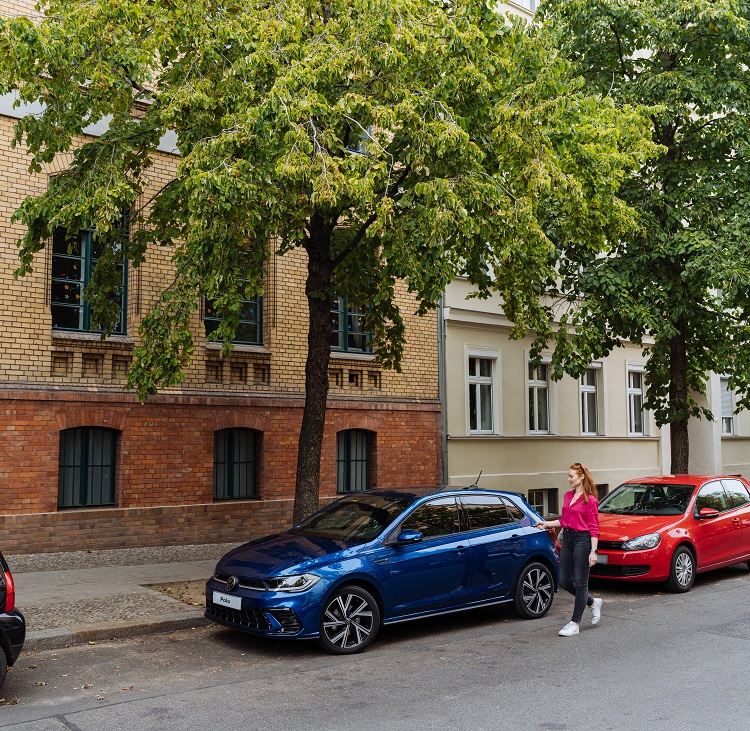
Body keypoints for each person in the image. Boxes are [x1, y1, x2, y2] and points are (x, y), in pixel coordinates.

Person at [534, 462, 602, 636]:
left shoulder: (590, 500)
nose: (568, 479)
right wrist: (546, 523)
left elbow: (594, 527)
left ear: (581, 477)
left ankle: (575, 623)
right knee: (564, 581)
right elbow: (565, 521)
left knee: (580, 582)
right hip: (568, 539)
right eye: (569, 476)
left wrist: (593, 551)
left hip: (583, 540)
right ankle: (593, 603)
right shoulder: (567, 496)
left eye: (571, 476)